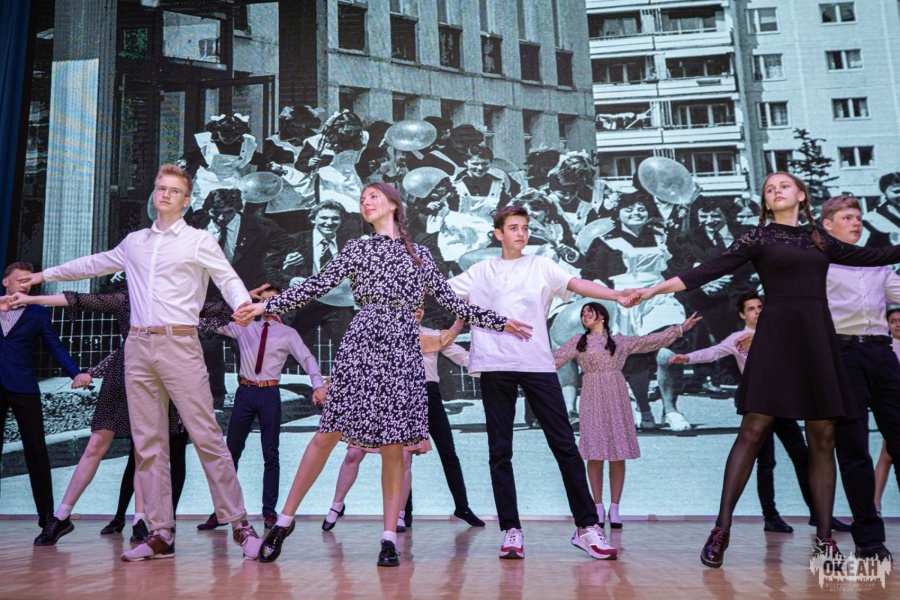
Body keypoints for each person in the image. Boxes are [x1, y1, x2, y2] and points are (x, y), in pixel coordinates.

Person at [234, 182, 527, 567]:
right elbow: (316, 285)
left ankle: (389, 537)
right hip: (362, 339)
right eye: (362, 199)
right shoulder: (356, 248)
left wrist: (498, 321)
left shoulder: (420, 254)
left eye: (373, 196)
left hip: (403, 345)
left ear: (393, 204)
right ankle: (284, 522)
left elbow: (452, 302)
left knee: (394, 445)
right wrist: (264, 307)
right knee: (326, 434)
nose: (365, 202)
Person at [628, 172, 900, 567]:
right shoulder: (757, 237)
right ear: (766, 202)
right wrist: (653, 289)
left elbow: (875, 256)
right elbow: (708, 270)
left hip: (817, 339)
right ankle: (721, 528)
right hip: (776, 337)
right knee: (753, 430)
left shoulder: (818, 238)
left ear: (801, 195)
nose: (776, 190)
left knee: (822, 437)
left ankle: (825, 538)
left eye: (783, 185)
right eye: (769, 189)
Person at [22, 164, 262, 561]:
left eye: (173, 190)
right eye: (160, 188)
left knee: (206, 436)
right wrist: (41, 276)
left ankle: (240, 524)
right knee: (148, 444)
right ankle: (160, 531)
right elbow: (93, 264)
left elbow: (228, 278)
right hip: (137, 346)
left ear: (187, 201)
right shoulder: (134, 242)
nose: (164, 194)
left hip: (179, 343)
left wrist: (242, 305)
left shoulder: (199, 240)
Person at [448, 205, 638, 561]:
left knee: (565, 445)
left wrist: (615, 295)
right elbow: (445, 296)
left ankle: (587, 527)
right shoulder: (480, 270)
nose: (521, 233)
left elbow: (577, 284)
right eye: (513, 228)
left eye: (525, 227)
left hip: (536, 364)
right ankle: (511, 530)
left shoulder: (541, 265)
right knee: (500, 451)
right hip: (495, 365)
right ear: (498, 234)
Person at [6, 287, 235, 546]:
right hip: (122, 375)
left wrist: (249, 298)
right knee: (96, 445)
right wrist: (30, 298)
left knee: (143, 451)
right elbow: (81, 300)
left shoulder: (180, 300)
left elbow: (223, 310)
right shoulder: (127, 298)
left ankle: (140, 519)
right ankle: (61, 516)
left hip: (158, 376)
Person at [667, 293, 849, 535]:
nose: (757, 311)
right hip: (759, 406)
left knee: (803, 457)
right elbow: (713, 352)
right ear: (742, 314)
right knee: (766, 462)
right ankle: (770, 516)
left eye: (760, 307)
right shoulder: (737, 339)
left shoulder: (780, 334)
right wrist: (687, 358)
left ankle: (819, 515)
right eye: (751, 308)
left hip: (783, 404)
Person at [553, 302, 699, 529]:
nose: (585, 315)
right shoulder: (577, 342)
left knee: (617, 454)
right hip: (592, 395)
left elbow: (651, 341)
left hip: (616, 394)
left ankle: (615, 508)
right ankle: (597, 506)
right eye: (583, 314)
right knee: (594, 455)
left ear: (603, 316)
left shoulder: (620, 341)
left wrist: (680, 328)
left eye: (590, 312)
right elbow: (553, 360)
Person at [196, 286, 327, 531]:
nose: (266, 304)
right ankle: (222, 511)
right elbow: (207, 318)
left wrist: (318, 385)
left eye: (272, 301)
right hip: (245, 393)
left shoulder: (287, 333)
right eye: (263, 300)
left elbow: (307, 358)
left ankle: (269, 511)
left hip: (269, 393)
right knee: (231, 454)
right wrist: (243, 297)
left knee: (270, 454)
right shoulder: (244, 326)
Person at [821, 194, 900, 561]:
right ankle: (869, 540)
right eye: (848, 218)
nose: (856, 223)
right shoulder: (820, 266)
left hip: (882, 355)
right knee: (854, 450)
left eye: (858, 217)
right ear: (828, 226)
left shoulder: (877, 264)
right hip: (843, 355)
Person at [583, 190, 686, 431]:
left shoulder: (663, 237)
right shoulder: (603, 241)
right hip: (623, 302)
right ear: (618, 213)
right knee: (635, 361)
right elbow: (590, 274)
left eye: (641, 208)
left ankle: (671, 410)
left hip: (659, 298)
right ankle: (644, 409)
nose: (636, 212)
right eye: (628, 209)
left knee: (667, 352)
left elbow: (679, 265)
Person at [0, 263, 91, 529]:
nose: (24, 286)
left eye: (28, 282)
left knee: (36, 451)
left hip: (23, 386)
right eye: (19, 281)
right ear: (6, 282)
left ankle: (47, 517)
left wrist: (75, 373)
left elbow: (54, 346)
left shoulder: (38, 312)